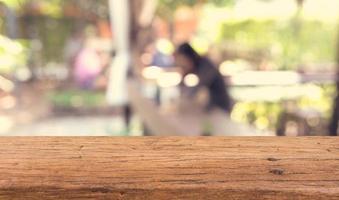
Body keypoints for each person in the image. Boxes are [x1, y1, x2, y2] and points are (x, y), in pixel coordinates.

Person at [174, 42, 233, 113]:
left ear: (189, 57)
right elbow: (182, 85)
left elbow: (198, 88)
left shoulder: (206, 65)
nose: (182, 64)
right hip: (212, 108)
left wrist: (184, 98)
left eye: (183, 60)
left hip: (221, 108)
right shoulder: (196, 65)